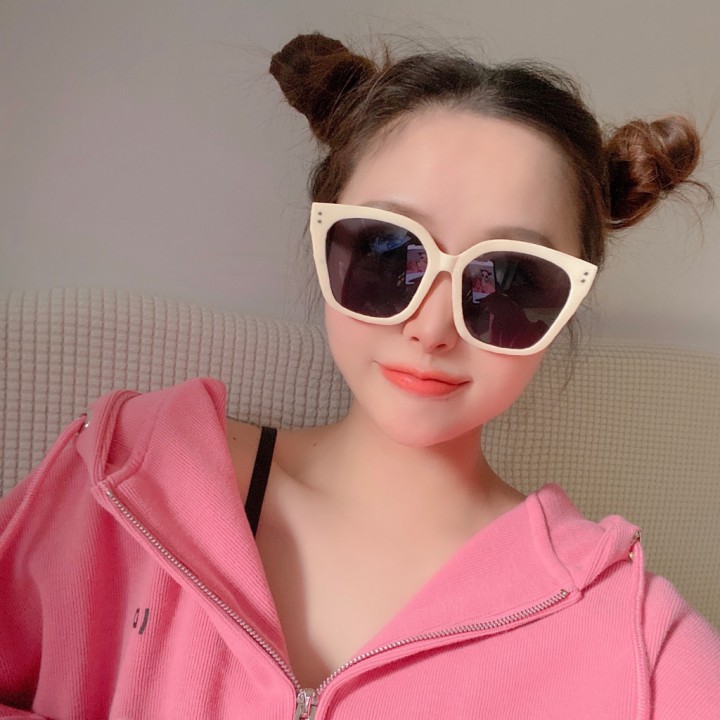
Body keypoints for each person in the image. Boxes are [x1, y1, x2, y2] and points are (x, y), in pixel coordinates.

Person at [1, 31, 718, 719]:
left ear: (567, 301)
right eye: (387, 252)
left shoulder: (627, 631)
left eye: (506, 280)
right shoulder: (128, 473)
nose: (431, 328)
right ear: (325, 242)